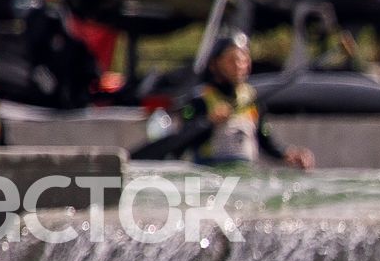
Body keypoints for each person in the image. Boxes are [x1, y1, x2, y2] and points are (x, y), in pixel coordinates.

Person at [131, 32, 314, 168]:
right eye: (232, 60)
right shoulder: (200, 100)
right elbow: (181, 142)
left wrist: (286, 154)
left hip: (244, 175)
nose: (239, 66)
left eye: (243, 60)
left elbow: (264, 138)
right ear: (215, 64)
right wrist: (209, 121)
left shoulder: (251, 99)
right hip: (212, 175)